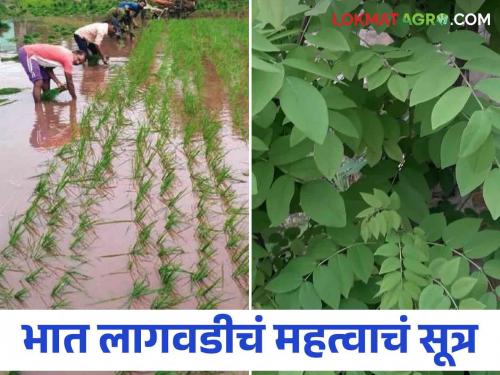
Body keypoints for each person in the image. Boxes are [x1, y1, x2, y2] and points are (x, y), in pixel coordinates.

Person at [18, 44, 86, 103]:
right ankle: (38, 109)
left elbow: (48, 69)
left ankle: (46, 105)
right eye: (78, 59)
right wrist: (74, 98)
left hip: (39, 60)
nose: (77, 62)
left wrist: (58, 82)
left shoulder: (64, 55)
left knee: (46, 85)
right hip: (28, 53)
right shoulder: (68, 58)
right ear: (74, 52)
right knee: (38, 81)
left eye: (80, 63)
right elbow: (70, 82)